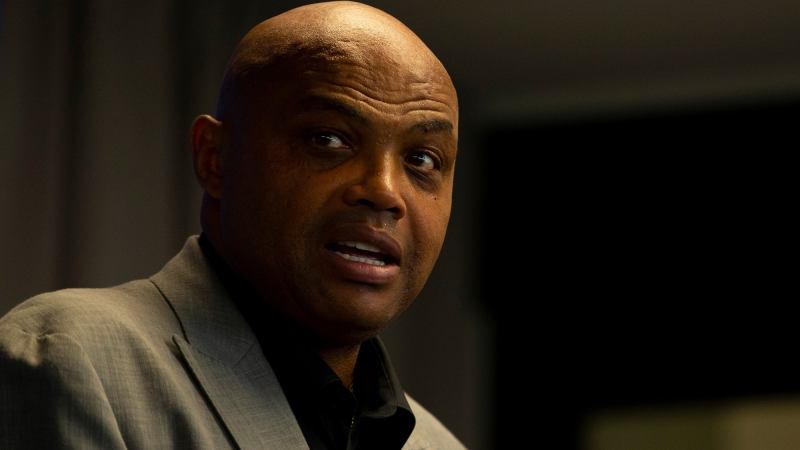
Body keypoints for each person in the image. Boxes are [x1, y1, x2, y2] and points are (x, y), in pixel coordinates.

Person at [0, 2, 464, 449]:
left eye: (422, 159)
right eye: (328, 138)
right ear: (215, 158)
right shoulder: (71, 358)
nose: (383, 191)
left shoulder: (441, 445)